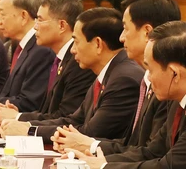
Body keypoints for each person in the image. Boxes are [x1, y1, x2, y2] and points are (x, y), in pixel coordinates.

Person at [52, 0, 180, 155]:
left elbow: (153, 153)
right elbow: (132, 143)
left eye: (126, 28)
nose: (121, 38)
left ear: (147, 32)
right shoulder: (146, 79)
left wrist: (91, 147)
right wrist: (89, 145)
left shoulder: (167, 85)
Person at [0, 7, 144, 143]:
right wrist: (26, 126)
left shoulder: (123, 79)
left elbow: (89, 133)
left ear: (98, 44)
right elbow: (74, 120)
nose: (73, 50)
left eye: (76, 41)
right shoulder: (109, 71)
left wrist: (30, 131)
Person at [66, 21, 186, 168]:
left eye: (151, 69)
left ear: (175, 73)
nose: (148, 77)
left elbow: (167, 166)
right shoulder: (176, 102)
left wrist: (103, 167)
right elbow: (152, 153)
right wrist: (95, 161)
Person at [0, 0, 96, 124]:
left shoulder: (78, 63)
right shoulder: (61, 59)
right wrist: (17, 113)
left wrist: (18, 118)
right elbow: (48, 112)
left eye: (40, 19)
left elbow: (66, 117)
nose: (35, 26)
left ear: (62, 26)